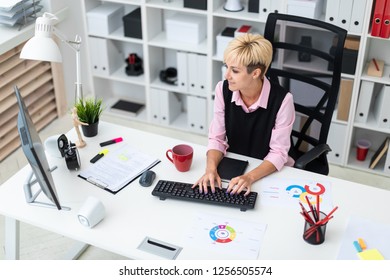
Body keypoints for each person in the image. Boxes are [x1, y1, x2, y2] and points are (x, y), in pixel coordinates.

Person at [193, 33, 295, 196]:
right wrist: (210, 170)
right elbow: (217, 138)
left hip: (268, 171)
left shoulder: (283, 100)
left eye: (234, 70)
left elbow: (278, 153)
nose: (227, 75)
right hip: (237, 165)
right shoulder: (223, 89)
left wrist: (249, 177)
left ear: (255, 73)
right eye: (227, 67)